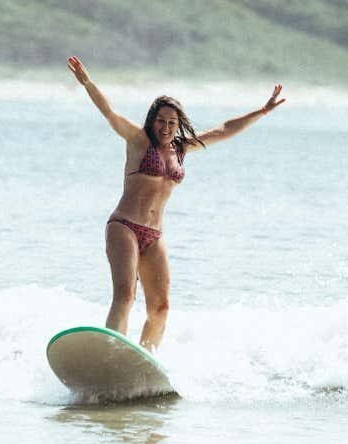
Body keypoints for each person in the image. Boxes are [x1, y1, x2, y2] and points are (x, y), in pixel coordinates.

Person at [67, 55, 285, 351]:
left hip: (154, 235)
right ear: (152, 120)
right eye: (161, 121)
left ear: (178, 125)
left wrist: (262, 111)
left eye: (172, 122)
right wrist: (87, 83)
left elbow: (224, 129)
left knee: (161, 307)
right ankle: (110, 353)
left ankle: (144, 360)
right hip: (124, 227)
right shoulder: (138, 141)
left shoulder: (181, 149)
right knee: (125, 294)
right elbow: (110, 113)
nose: (166, 127)